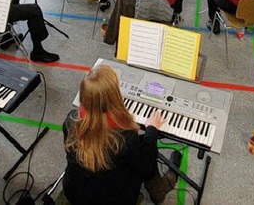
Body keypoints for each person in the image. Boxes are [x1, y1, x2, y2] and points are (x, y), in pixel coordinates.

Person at [63, 64, 181, 205]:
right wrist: (151, 128)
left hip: (74, 191)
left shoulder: (71, 120)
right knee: (146, 150)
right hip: (113, 199)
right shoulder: (124, 139)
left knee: (138, 149)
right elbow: (146, 169)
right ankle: (158, 190)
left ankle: (157, 189)